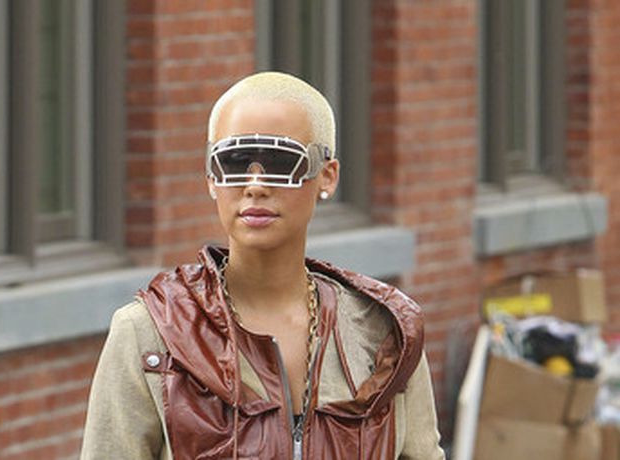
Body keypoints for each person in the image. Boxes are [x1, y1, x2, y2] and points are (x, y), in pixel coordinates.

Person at [81, 71, 445, 459]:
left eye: (280, 162)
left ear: (327, 176)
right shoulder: (151, 332)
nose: (255, 185)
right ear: (211, 178)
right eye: (234, 162)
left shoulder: (384, 331)